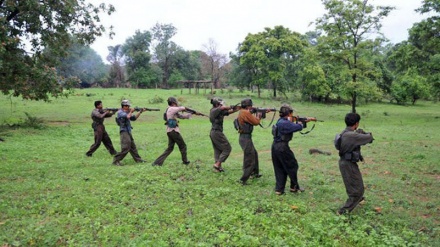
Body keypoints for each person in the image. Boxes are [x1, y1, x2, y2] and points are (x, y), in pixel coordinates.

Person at [336, 112, 374, 215]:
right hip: (348, 164)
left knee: (357, 185)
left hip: (346, 162)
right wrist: (363, 133)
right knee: (357, 191)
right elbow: (369, 138)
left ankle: (357, 200)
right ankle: (343, 211)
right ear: (356, 123)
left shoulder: (344, 133)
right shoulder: (353, 135)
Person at [271, 104, 309, 195]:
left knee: (279, 168)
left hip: (275, 146)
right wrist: (302, 122)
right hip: (282, 147)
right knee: (292, 166)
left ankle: (279, 189)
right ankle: (294, 187)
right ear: (289, 113)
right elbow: (298, 127)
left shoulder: (280, 121)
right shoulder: (285, 123)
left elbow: (291, 125)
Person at [152, 97, 191, 166]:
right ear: (173, 103)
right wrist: (190, 110)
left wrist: (189, 115)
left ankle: (157, 162)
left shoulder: (170, 109)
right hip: (174, 131)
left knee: (170, 148)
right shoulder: (172, 108)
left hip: (170, 131)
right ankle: (185, 161)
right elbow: (182, 108)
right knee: (183, 146)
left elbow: (180, 116)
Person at [236, 98, 265, 185]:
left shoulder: (243, 111)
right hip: (245, 137)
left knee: (254, 154)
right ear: (249, 106)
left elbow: (249, 115)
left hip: (245, 137)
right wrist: (259, 116)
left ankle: (255, 173)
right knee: (249, 158)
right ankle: (243, 179)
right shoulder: (245, 112)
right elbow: (255, 122)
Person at [112, 100, 146, 166]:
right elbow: (127, 116)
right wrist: (130, 111)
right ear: (123, 106)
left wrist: (140, 112)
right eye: (126, 106)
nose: (128, 107)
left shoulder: (127, 112)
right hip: (124, 131)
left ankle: (138, 159)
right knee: (126, 147)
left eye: (128, 106)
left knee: (133, 146)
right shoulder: (120, 112)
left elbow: (134, 118)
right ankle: (116, 160)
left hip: (128, 131)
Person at [209, 97, 239, 172]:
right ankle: (218, 164)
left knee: (218, 150)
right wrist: (231, 106)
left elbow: (228, 112)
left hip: (214, 132)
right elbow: (223, 108)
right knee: (227, 148)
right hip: (216, 132)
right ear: (217, 104)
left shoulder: (218, 111)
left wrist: (238, 108)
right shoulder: (214, 110)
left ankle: (217, 168)